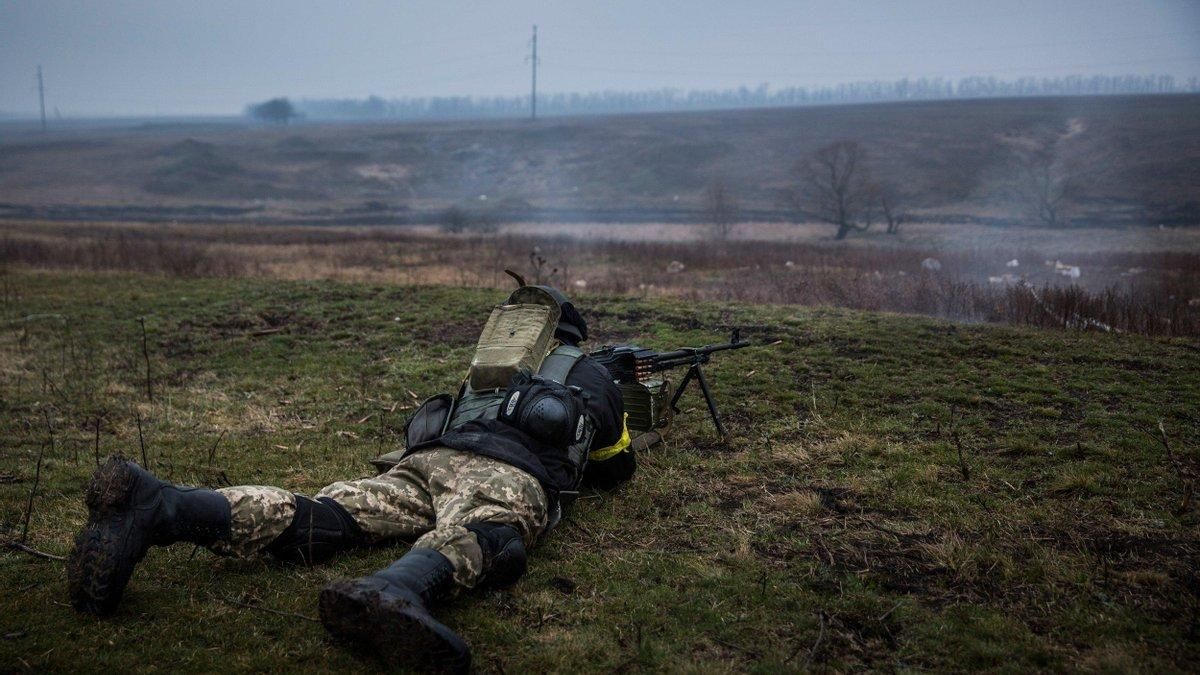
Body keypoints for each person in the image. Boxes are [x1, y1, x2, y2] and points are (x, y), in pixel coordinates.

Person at [67, 284, 634, 673]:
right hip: (508, 475)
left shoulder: (491, 368)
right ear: (573, 335)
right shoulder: (589, 373)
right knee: (491, 535)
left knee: (329, 517)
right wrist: (614, 388)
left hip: (426, 462)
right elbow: (613, 467)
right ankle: (397, 589)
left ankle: (162, 505)